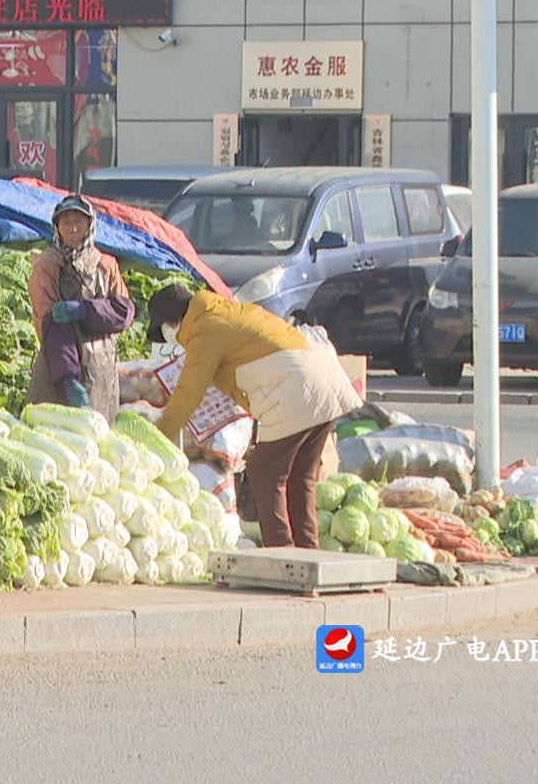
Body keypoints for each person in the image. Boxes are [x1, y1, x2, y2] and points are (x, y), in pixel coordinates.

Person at [147, 285, 359, 550]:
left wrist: (157, 437)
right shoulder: (226, 312)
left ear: (172, 323)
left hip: (297, 390)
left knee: (264, 472)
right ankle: (309, 554)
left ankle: (283, 556)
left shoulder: (204, 329)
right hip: (326, 382)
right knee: (299, 477)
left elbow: (189, 392)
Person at [26, 195, 135, 416]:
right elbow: (48, 323)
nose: (73, 229)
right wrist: (68, 380)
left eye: (79, 222)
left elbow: (124, 312)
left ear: (89, 225)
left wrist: (86, 311)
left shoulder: (106, 265)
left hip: (100, 368)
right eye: (66, 223)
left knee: (98, 429)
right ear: (57, 227)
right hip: (58, 369)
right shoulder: (47, 266)